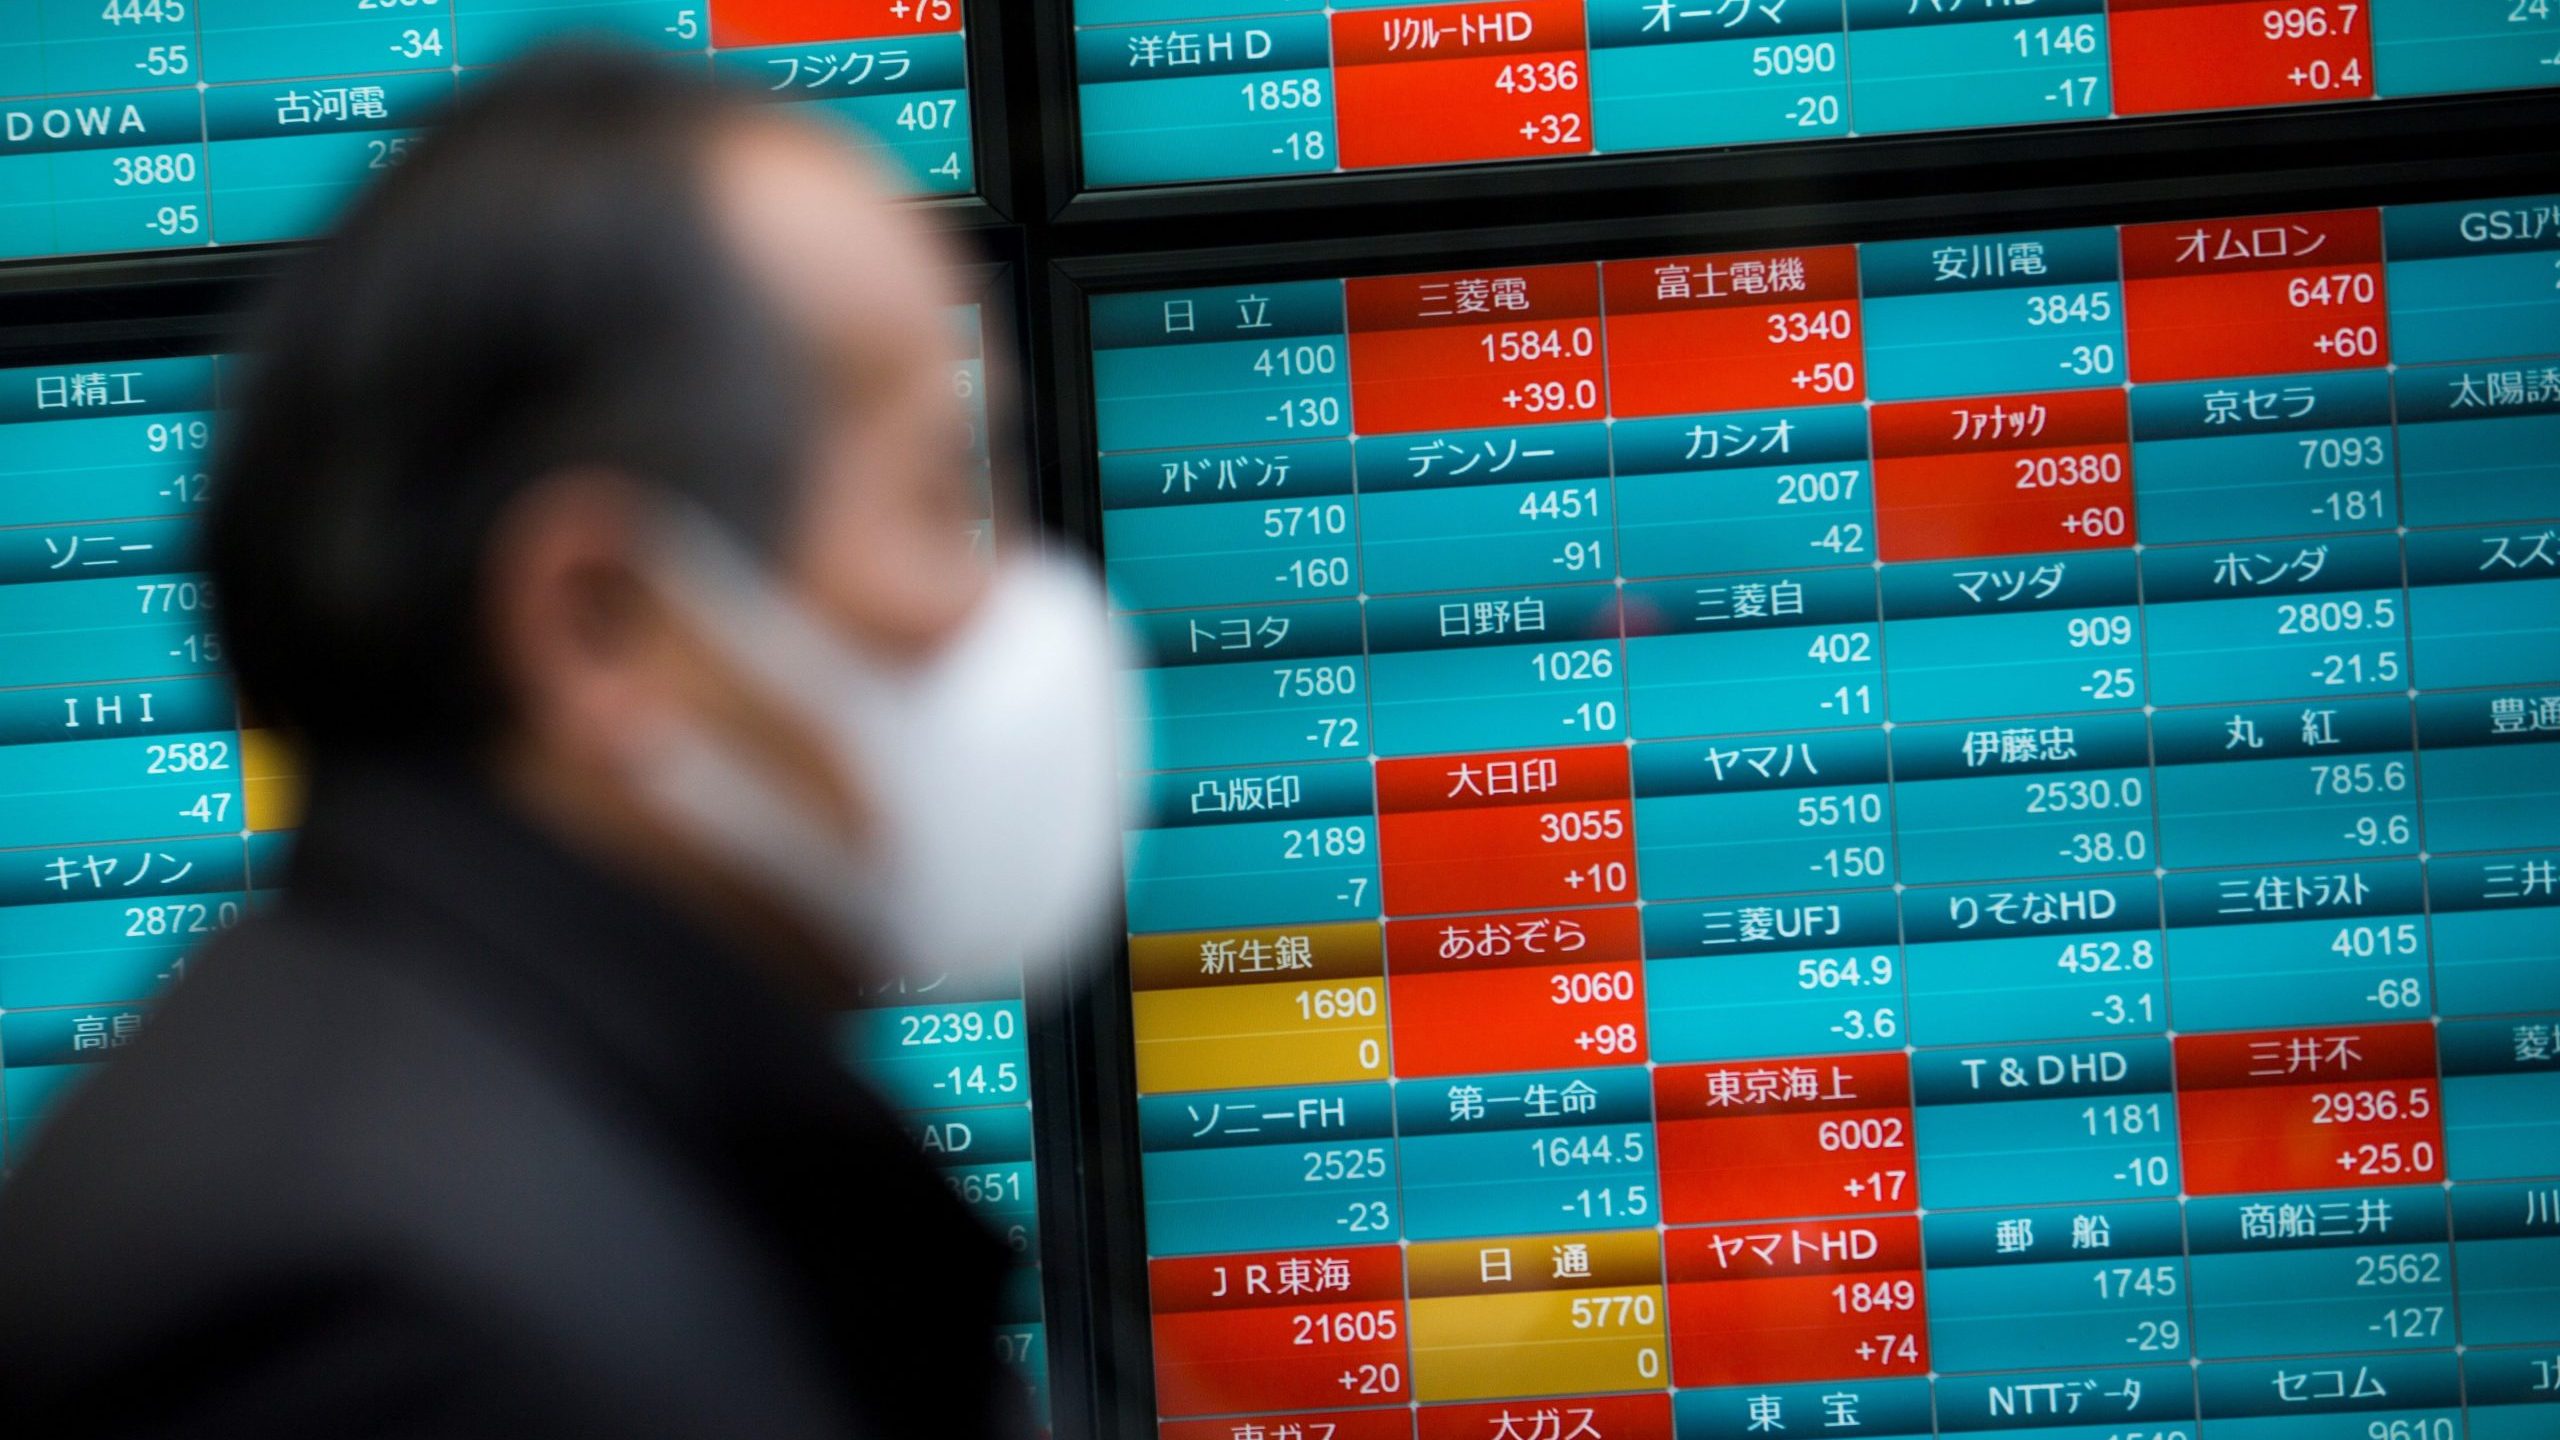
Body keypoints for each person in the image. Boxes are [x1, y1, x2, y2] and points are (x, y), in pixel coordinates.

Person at [0, 44, 1122, 1439]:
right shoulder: (373, 1324)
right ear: (600, 624)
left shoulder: (567, 1149)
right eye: (939, 490)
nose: (1006, 602)